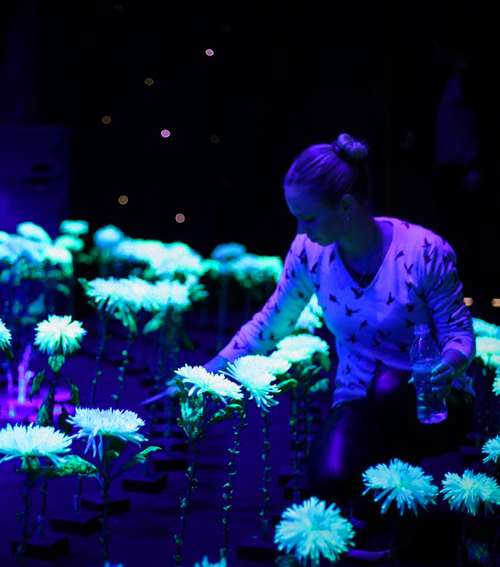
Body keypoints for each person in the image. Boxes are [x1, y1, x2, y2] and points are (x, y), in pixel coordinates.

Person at [204, 133, 475, 558]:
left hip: (433, 402)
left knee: (389, 389)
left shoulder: (423, 251)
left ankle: (399, 511)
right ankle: (384, 502)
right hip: (359, 400)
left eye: (309, 218)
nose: (301, 230)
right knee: (329, 478)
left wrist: (450, 365)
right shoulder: (309, 252)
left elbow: (459, 333)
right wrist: (213, 369)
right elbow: (273, 321)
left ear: (347, 206)